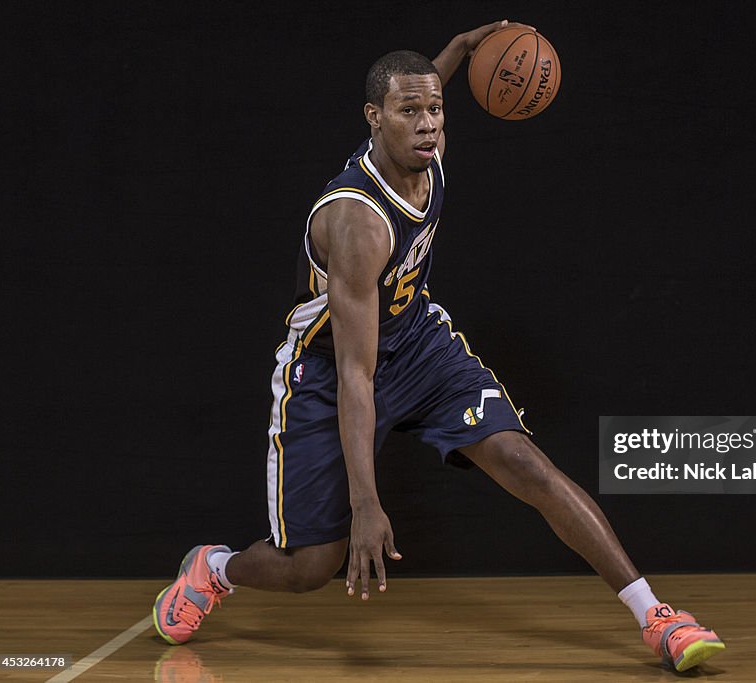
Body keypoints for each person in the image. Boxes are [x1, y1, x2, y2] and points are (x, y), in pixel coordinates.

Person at [152, 20, 725, 673]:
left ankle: (657, 616)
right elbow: (355, 371)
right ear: (374, 118)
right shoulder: (358, 220)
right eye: (410, 111)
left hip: (418, 343)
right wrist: (367, 503)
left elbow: (432, 81)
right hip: (330, 371)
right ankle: (215, 566)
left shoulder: (425, 149)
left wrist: (466, 45)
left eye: (436, 110)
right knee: (313, 565)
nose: (428, 124)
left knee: (527, 464)